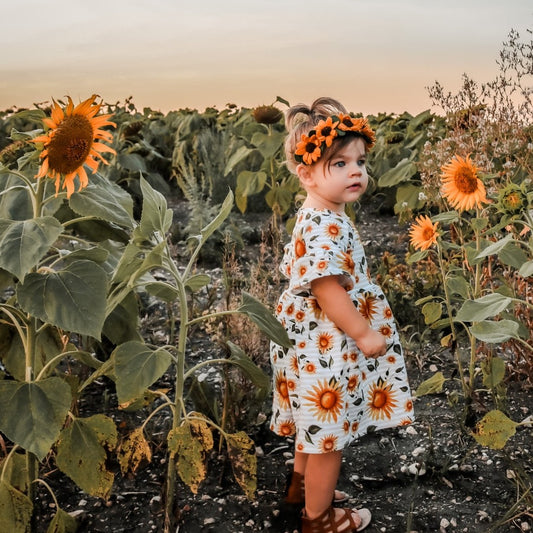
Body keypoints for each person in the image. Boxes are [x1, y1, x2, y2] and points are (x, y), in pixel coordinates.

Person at [270, 97, 415, 533]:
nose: (356, 171)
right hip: (327, 345)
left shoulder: (318, 213)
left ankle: (302, 488)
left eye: (361, 161)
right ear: (307, 173)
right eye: (339, 163)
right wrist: (364, 332)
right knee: (328, 438)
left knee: (311, 426)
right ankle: (319, 519)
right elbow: (326, 288)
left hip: (311, 344)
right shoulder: (322, 224)